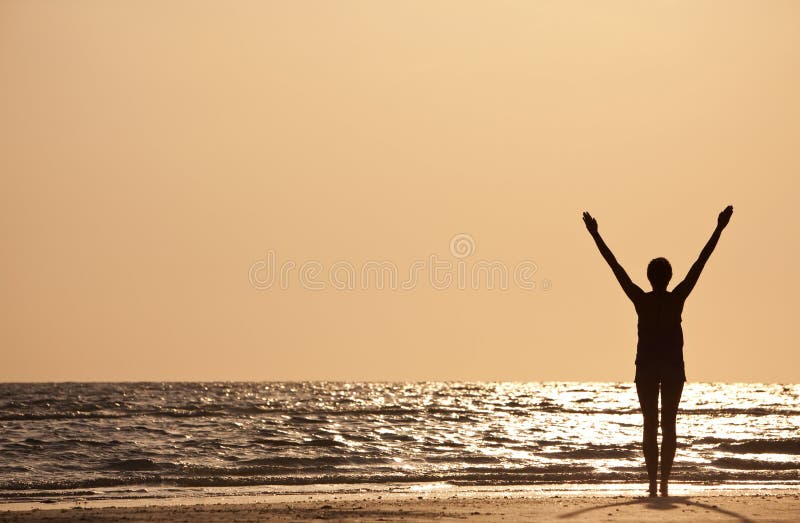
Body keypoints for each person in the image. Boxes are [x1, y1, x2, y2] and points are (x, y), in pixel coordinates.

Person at [582, 205, 733, 497]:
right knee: (669, 423)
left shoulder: (642, 299)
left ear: (650, 277)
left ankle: (654, 482)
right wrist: (719, 228)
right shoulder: (676, 297)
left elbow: (615, 266)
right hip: (672, 367)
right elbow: (701, 262)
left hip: (649, 367)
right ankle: (663, 481)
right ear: (668, 276)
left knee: (650, 423)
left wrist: (595, 235)